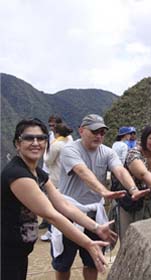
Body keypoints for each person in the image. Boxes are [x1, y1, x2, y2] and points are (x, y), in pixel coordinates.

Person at [1, 118, 116, 280]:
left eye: (41, 138)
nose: (36, 143)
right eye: (28, 138)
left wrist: (96, 227)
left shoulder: (37, 173)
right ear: (17, 144)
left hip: (18, 251)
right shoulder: (18, 175)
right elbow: (51, 215)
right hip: (5, 253)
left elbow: (62, 204)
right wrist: (87, 243)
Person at [52, 114, 149, 280]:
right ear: (81, 131)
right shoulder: (70, 150)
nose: (99, 136)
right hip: (68, 212)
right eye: (95, 131)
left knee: (92, 261)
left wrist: (133, 189)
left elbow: (119, 170)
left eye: (102, 133)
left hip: (94, 214)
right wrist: (103, 191)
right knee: (63, 262)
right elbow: (83, 172)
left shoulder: (107, 152)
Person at [40, 123, 74, 242]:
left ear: (57, 133)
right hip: (66, 178)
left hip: (55, 179)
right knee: (64, 205)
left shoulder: (56, 145)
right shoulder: (69, 142)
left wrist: (45, 150)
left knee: (52, 206)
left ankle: (51, 231)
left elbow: (48, 161)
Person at [39, 114, 64, 230]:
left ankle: (53, 225)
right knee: (46, 197)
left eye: (53, 125)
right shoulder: (49, 136)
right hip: (46, 170)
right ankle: (46, 220)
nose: (52, 127)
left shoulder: (64, 138)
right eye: (50, 125)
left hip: (57, 172)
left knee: (55, 198)